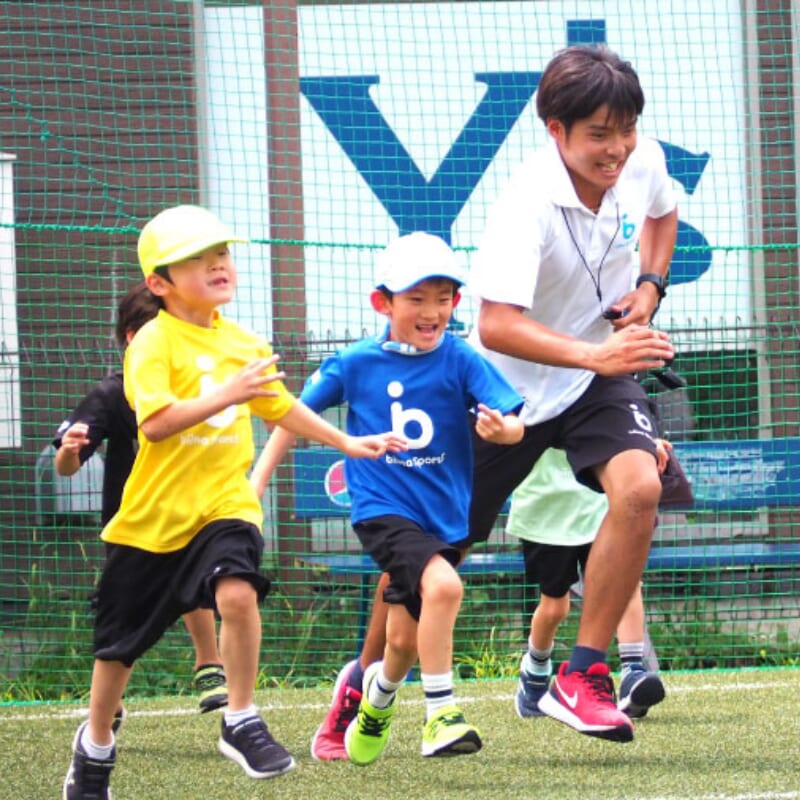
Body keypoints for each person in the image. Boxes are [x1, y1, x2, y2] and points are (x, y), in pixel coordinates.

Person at [311, 43, 679, 750]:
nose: (617, 148)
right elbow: (496, 324)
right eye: (598, 134)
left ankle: (583, 672)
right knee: (425, 567)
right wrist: (594, 351)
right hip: (501, 399)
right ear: (556, 132)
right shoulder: (525, 206)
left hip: (593, 376)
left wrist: (650, 287)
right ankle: (361, 681)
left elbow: (663, 218)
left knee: (639, 489)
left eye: (625, 129)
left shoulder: (644, 161)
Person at [62, 204, 404, 800]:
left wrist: (348, 440)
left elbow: (279, 407)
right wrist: (229, 392)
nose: (218, 264)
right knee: (117, 651)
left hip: (225, 505)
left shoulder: (245, 342)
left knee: (239, 592)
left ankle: (240, 718)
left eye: (221, 253)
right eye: (198, 258)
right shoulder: (150, 342)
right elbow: (158, 424)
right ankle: (94, 750)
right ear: (159, 283)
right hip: (152, 522)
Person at [250, 231, 524, 765]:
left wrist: (504, 433)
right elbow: (289, 414)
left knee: (401, 639)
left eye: (443, 297)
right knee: (443, 587)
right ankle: (441, 714)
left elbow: (511, 419)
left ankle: (375, 702)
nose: (432, 311)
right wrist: (254, 488)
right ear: (384, 302)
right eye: (417, 298)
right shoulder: (355, 363)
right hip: (383, 510)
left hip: (444, 518)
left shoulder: (461, 358)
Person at [53, 282, 229, 721]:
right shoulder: (111, 394)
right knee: (122, 615)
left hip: (193, 509)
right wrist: (70, 451)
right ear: (134, 336)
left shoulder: (197, 385)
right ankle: (107, 706)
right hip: (133, 522)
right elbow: (65, 466)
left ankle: (210, 665)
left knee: (201, 575)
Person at [508, 446, 668, 721]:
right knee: (555, 606)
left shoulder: (599, 404)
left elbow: (619, 418)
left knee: (625, 585)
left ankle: (633, 671)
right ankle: (534, 671)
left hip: (600, 503)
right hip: (545, 509)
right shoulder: (525, 404)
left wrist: (642, 442)